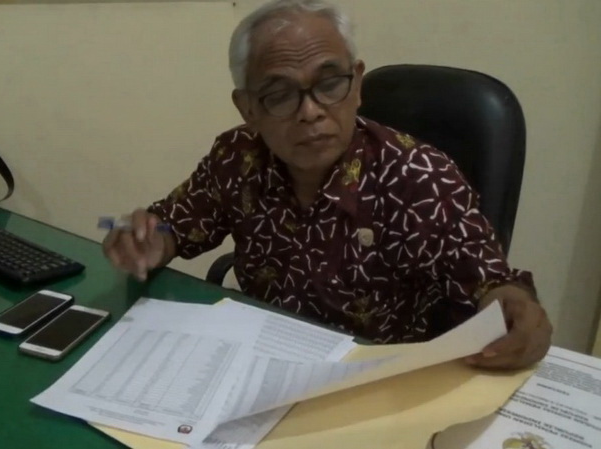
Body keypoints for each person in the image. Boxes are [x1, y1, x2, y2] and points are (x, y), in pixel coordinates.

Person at [102, 0, 551, 370]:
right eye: (280, 94)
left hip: (375, 382)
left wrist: (516, 309)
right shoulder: (238, 157)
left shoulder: (419, 177)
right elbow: (174, 224)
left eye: (330, 83)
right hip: (259, 363)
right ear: (248, 109)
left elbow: (490, 284)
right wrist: (148, 240)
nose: (311, 111)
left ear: (357, 85)